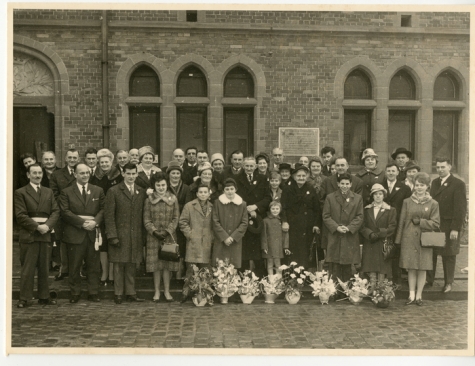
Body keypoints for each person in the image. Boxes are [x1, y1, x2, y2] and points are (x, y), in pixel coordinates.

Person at [58, 163, 105, 303]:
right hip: (75, 233)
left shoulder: (98, 190)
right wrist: (82, 223)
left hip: (92, 233)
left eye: (87, 173)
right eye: (82, 173)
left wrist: (95, 222)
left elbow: (103, 209)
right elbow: (65, 212)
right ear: (75, 174)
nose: (85, 175)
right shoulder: (66, 192)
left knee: (94, 265)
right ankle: (75, 293)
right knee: (74, 265)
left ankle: (93, 292)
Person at [14, 164, 60, 308]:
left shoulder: (48, 192)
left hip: (45, 232)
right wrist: (37, 227)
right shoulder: (20, 192)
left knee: (44, 266)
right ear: (28, 175)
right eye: (34, 173)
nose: (37, 175)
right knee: (28, 267)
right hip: (30, 234)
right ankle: (25, 298)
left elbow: (55, 211)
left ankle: (44, 296)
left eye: (40, 173)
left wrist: (47, 226)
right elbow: (20, 215)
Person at [395, 172, 440, 306]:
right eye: (417, 185)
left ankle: (419, 295)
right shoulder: (407, 202)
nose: (419, 188)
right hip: (409, 238)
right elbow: (402, 221)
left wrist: (421, 222)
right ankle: (411, 294)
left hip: (424, 239)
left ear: (427, 186)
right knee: (411, 267)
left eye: (422, 185)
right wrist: (398, 239)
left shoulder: (433, 203)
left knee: (422, 268)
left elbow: (436, 223)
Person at [104, 163, 146, 304]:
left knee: (131, 264)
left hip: (135, 235)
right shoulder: (114, 191)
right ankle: (118, 293)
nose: (131, 176)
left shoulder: (141, 191)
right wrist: (112, 235)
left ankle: (131, 292)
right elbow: (109, 216)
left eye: (134, 173)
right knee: (118, 265)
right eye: (128, 173)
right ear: (123, 174)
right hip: (119, 234)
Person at [426, 157, 467, 293]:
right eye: (438, 167)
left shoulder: (458, 183)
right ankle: (429, 280)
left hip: (449, 225)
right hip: (436, 224)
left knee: (448, 255)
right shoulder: (435, 183)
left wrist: (455, 228)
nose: (440, 170)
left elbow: (460, 208)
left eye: (443, 167)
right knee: (432, 252)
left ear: (450, 167)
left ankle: (448, 282)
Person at [143, 172, 179, 302]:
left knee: (167, 265)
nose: (161, 188)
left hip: (169, 236)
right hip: (154, 238)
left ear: (167, 184)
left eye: (163, 185)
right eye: (158, 185)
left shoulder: (173, 199)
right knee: (156, 266)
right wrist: (154, 232)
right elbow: (146, 220)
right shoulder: (149, 200)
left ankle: (167, 291)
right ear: (154, 186)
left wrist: (168, 231)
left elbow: (176, 218)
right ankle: (157, 291)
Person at [323, 173, 364, 284]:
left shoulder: (357, 198)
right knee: (334, 265)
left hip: (349, 235)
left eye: (347, 183)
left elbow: (360, 216)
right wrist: (336, 227)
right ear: (338, 184)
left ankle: (348, 291)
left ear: (351, 184)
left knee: (348, 265)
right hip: (335, 235)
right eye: (342, 183)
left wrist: (349, 227)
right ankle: (334, 291)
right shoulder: (330, 197)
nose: (344, 186)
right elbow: (326, 216)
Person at [89, 148, 122, 287]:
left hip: (116, 213)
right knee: (102, 244)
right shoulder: (94, 177)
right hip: (101, 212)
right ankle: (104, 273)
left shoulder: (119, 175)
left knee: (113, 242)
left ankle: (112, 274)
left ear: (111, 161)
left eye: (106, 162)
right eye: (101, 162)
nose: (104, 164)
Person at [236, 157, 272, 276]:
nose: (249, 168)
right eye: (247, 166)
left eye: (252, 166)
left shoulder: (262, 179)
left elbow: (268, 198)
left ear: (255, 166)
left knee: (257, 250)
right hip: (242, 217)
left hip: (258, 218)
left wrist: (256, 206)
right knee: (244, 251)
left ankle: (260, 278)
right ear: (243, 166)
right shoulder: (237, 179)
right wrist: (246, 208)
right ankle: (244, 278)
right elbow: (235, 198)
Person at [281, 164, 322, 269]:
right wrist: (284, 221)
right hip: (292, 225)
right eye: (299, 176)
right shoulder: (288, 189)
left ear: (307, 177)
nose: (301, 178)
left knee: (305, 251)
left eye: (303, 176)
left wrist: (316, 224)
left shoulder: (310, 189)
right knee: (293, 250)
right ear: (294, 177)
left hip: (307, 225)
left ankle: (305, 277)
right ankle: (292, 276)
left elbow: (317, 208)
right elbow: (283, 207)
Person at [50, 148, 80, 281]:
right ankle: (64, 268)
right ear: (65, 159)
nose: (72, 160)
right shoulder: (56, 175)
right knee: (62, 241)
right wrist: (65, 209)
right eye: (70, 157)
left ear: (78, 159)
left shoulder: (82, 172)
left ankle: (77, 270)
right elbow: (54, 194)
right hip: (63, 214)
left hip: (78, 214)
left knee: (78, 242)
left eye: (75, 158)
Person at [360, 184, 397, 288]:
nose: (378, 196)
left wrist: (380, 233)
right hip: (370, 241)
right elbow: (362, 225)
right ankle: (372, 286)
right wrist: (370, 234)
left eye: (380, 194)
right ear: (372, 196)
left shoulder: (390, 210)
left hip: (383, 242)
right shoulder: (366, 209)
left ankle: (380, 288)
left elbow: (392, 226)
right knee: (370, 264)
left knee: (382, 266)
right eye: (375, 194)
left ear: (384, 195)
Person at [381, 163, 412, 286]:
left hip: (398, 223)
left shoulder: (404, 188)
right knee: (382, 249)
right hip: (383, 222)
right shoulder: (380, 186)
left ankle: (396, 279)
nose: (391, 173)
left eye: (393, 171)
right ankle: (382, 278)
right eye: (388, 171)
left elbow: (408, 207)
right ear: (385, 172)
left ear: (398, 172)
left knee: (396, 250)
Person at [212, 178, 248, 269]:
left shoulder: (242, 204)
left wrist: (233, 237)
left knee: (233, 266)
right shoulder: (217, 203)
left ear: (235, 189)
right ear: (223, 190)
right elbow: (215, 221)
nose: (230, 191)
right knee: (220, 266)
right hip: (221, 240)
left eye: (232, 189)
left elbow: (244, 222)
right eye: (227, 189)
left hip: (235, 241)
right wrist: (224, 237)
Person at [179, 184, 214, 277]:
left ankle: (204, 291)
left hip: (206, 242)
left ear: (208, 194)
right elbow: (182, 222)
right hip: (193, 242)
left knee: (205, 271)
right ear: (197, 194)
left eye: (205, 192)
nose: (203, 194)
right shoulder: (189, 206)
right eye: (201, 192)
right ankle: (188, 290)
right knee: (191, 270)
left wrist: (211, 236)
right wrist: (190, 234)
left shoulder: (212, 207)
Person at [167, 160, 191, 280]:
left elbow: (187, 206)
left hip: (181, 221)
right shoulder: (164, 187)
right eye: (173, 173)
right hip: (169, 221)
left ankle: (179, 274)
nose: (175, 176)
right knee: (169, 246)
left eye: (177, 173)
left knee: (181, 247)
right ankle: (170, 274)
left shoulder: (186, 188)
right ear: (169, 174)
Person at [261, 201, 289, 276]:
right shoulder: (265, 221)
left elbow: (285, 234)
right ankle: (271, 282)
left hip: (278, 246)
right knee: (269, 264)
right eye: (273, 209)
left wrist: (285, 247)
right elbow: (263, 235)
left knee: (278, 264)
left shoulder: (282, 220)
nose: (275, 210)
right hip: (269, 247)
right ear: (270, 209)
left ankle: (278, 281)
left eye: (277, 209)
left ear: (280, 210)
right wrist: (264, 246)